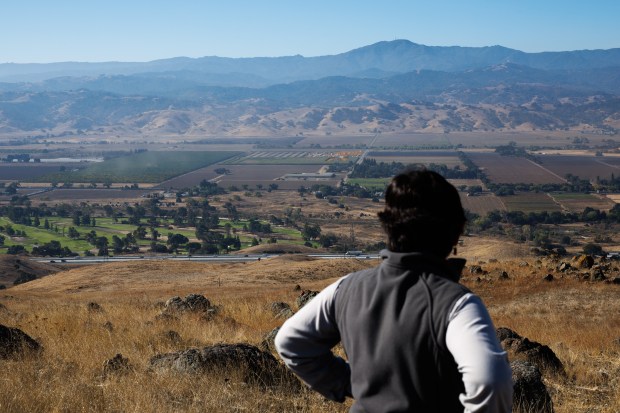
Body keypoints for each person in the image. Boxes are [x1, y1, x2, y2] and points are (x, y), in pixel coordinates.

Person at [275, 169, 513, 412]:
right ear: (456, 232)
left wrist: (351, 383)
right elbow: (490, 381)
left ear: (388, 227)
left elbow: (290, 342)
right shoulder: (457, 304)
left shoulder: (345, 288)